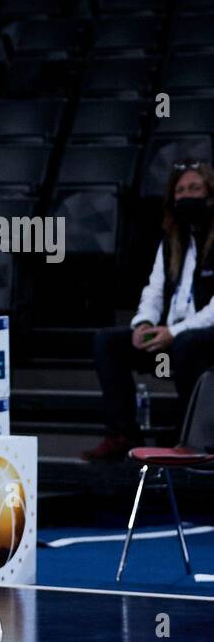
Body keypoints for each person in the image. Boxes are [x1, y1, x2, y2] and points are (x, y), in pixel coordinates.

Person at [85, 161, 214, 460]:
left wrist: (174, 332)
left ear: (210, 195)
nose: (186, 196)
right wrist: (143, 324)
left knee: (187, 344)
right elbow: (154, 291)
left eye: (194, 188)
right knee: (108, 341)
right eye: (180, 191)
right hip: (171, 337)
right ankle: (123, 433)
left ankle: (190, 436)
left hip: (201, 339)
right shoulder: (172, 242)